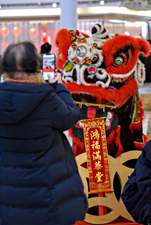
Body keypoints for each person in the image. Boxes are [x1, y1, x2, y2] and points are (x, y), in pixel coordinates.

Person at [0, 42, 87, 225]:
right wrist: (58, 87)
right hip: (47, 191)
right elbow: (70, 117)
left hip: (7, 191)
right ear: (36, 68)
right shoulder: (46, 98)